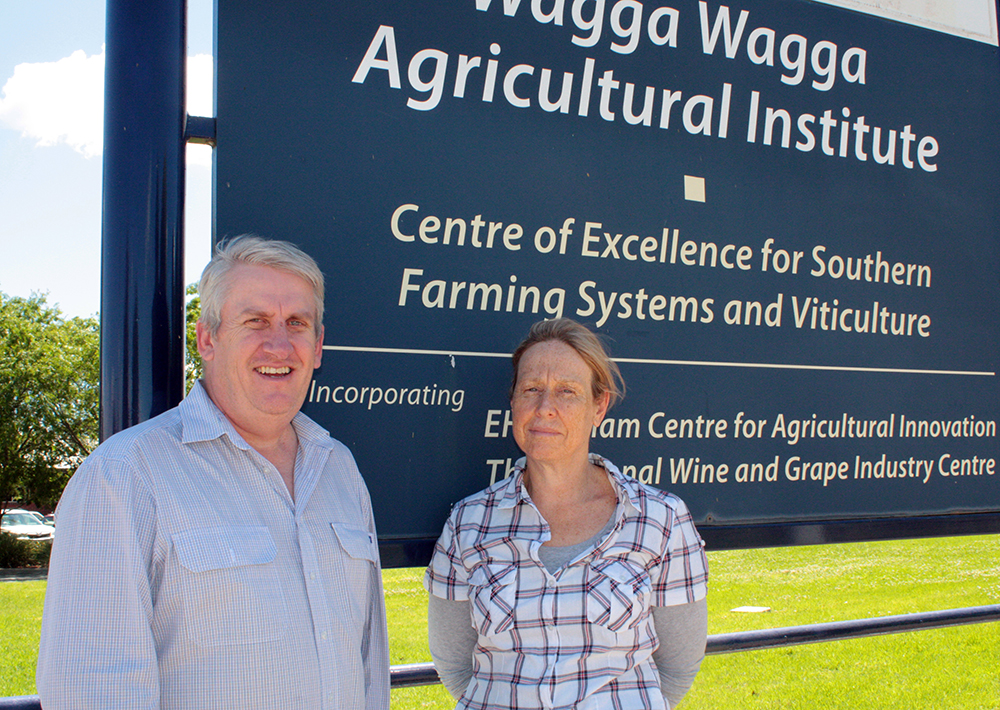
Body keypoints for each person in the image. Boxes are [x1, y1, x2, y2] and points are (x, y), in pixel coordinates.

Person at [37, 235, 390, 710]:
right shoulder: (124, 478)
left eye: (297, 323)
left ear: (319, 346)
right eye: (255, 321)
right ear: (208, 339)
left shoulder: (340, 470)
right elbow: (95, 688)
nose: (280, 344)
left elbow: (368, 665)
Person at [425, 318, 708, 710]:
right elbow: (454, 664)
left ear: (599, 406)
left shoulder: (661, 520)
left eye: (567, 392)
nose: (545, 408)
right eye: (531, 390)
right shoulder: (468, 524)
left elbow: (678, 668)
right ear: (513, 402)